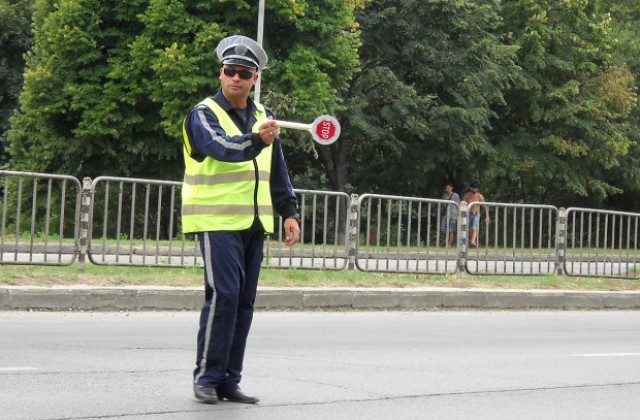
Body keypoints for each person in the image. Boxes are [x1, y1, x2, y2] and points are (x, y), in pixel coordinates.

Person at [181, 35, 300, 405]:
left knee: (244, 302)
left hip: (254, 223)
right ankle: (207, 376)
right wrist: (256, 139)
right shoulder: (202, 114)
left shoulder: (265, 118)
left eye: (243, 73)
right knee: (225, 296)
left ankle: (229, 380)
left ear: (254, 79)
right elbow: (221, 148)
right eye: (229, 71)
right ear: (220, 74)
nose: (235, 78)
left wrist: (289, 212)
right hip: (215, 220)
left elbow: (276, 171)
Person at [462, 180, 489, 248]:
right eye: (474, 188)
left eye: (477, 188)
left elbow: (484, 206)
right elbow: (462, 205)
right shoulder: (467, 195)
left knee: (474, 227)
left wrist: (487, 216)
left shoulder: (479, 196)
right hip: (468, 214)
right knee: (469, 229)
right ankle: (473, 242)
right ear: (471, 188)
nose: (476, 189)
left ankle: (472, 242)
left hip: (476, 214)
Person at [439, 182, 460, 247]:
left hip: (453, 214)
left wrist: (458, 213)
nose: (447, 189)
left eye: (448, 188)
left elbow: (458, 204)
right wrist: (441, 212)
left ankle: (449, 244)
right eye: (446, 188)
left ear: (451, 188)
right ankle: (447, 241)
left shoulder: (455, 195)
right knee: (443, 228)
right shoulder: (444, 195)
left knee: (451, 230)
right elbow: (442, 205)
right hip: (445, 214)